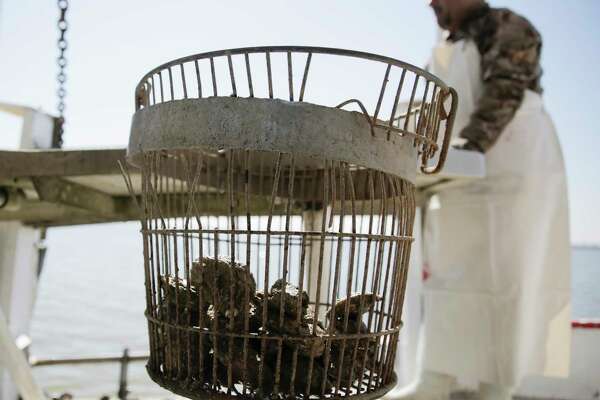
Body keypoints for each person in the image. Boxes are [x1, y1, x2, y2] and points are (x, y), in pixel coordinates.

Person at [416, 1, 572, 399]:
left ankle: (497, 388)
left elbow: (505, 90)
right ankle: (435, 380)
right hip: (460, 182)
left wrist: (464, 151)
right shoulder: (447, 45)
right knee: (450, 281)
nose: (431, 3)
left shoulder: (507, 26)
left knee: (508, 283)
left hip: (512, 171)